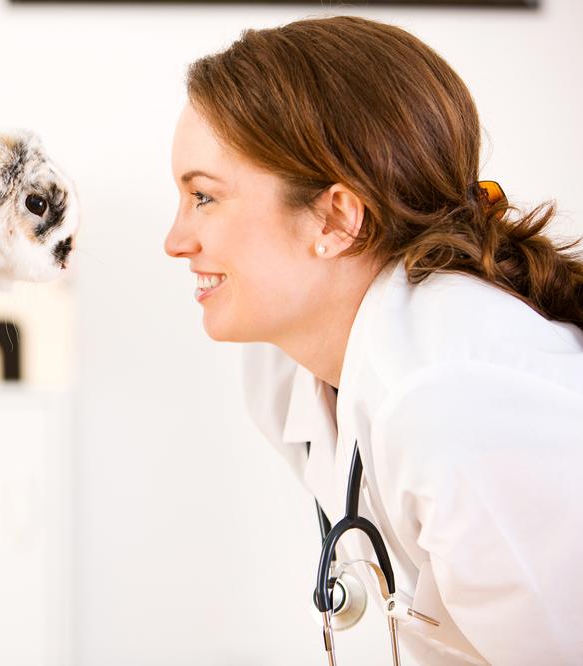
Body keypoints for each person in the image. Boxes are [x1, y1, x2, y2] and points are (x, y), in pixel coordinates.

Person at [163, 15, 583, 665]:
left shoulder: (450, 398)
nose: (175, 241)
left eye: (205, 198)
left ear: (335, 218)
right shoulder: (286, 371)